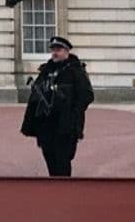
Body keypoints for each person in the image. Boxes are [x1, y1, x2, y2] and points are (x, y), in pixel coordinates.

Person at [20, 35, 94, 176]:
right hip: (46, 126)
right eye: (53, 49)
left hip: (65, 126)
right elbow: (36, 95)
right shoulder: (46, 70)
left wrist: (72, 112)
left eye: (58, 49)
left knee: (63, 162)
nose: (55, 52)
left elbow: (87, 95)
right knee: (51, 161)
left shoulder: (75, 71)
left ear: (66, 51)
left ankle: (64, 194)